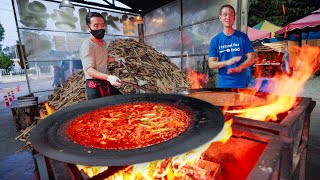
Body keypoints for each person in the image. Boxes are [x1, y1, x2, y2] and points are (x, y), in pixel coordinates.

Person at [208, 4, 255, 88]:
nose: (228, 17)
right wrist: (227, 62)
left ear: (234, 17)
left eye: (231, 14)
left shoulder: (242, 37)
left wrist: (240, 67)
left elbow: (251, 58)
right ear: (220, 18)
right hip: (223, 86)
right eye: (225, 14)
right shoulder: (215, 40)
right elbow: (211, 64)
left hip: (241, 85)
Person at [80, 12, 124, 100]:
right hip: (94, 85)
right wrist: (109, 77)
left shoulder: (103, 43)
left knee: (120, 100)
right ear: (88, 28)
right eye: (96, 25)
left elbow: (102, 59)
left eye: (103, 25)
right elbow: (89, 70)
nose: (100, 28)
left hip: (105, 81)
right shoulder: (87, 45)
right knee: (98, 111)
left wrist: (117, 59)